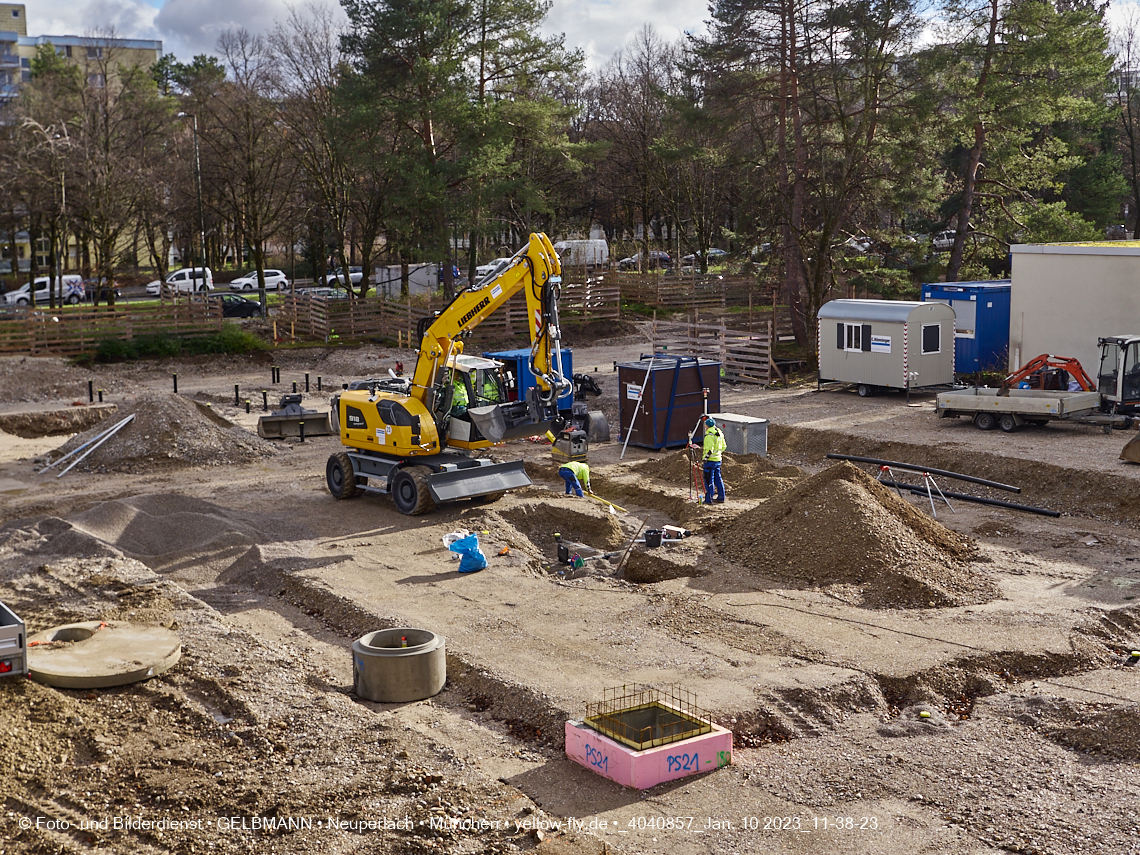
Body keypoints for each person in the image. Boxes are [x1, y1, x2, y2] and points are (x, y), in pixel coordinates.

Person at [701, 416, 726, 504]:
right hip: (718, 460)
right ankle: (721, 497)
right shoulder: (719, 433)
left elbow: (709, 449)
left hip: (710, 461)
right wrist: (718, 454)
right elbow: (723, 446)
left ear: (707, 426)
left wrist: (705, 459)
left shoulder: (709, 435)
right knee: (718, 479)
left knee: (709, 480)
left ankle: (709, 499)